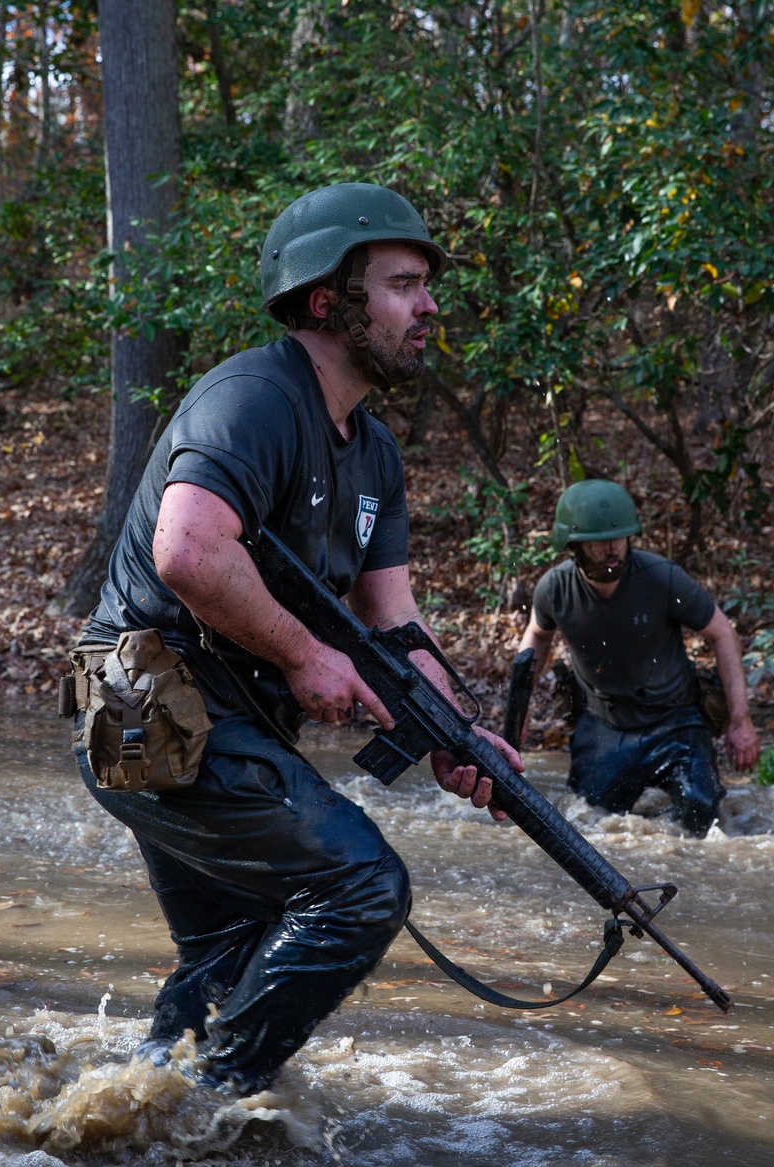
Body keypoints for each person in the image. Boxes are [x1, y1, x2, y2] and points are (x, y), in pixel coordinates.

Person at [69, 183, 523, 1095]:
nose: (430, 304)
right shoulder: (254, 398)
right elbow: (190, 550)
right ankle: (205, 1113)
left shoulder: (376, 453)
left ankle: (135, 1119)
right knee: (362, 888)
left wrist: (455, 731)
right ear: (329, 300)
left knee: (237, 944)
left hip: (218, 715)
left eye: (426, 285)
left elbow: (394, 623)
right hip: (130, 689)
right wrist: (307, 656)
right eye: (403, 284)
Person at [517, 479, 759, 835]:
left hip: (675, 721)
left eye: (620, 539)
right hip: (604, 726)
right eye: (600, 543)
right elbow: (536, 638)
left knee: (702, 819)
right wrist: (517, 714)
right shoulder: (555, 589)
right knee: (587, 825)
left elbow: (722, 633)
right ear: (575, 545)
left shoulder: (662, 579)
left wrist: (740, 720)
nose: (613, 549)